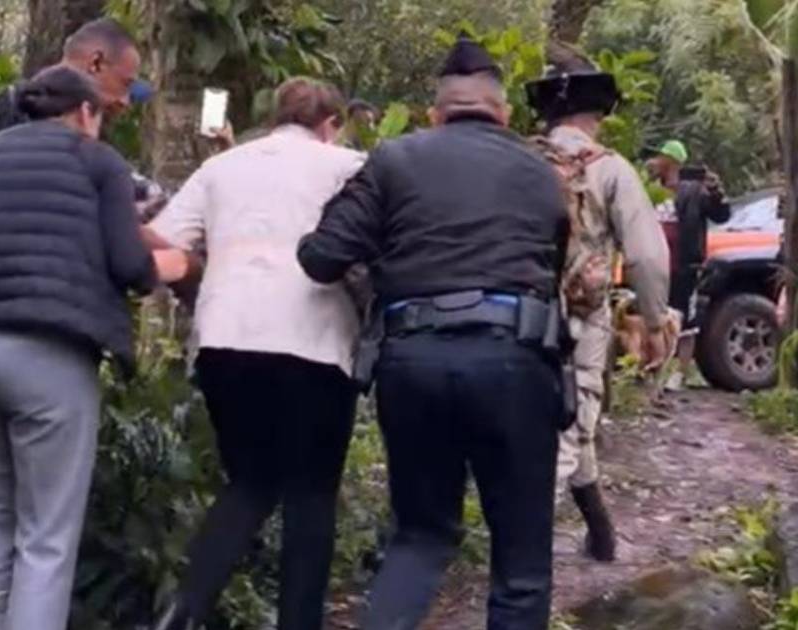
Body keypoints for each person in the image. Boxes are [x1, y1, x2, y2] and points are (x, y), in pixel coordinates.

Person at [298, 39, 572, 629]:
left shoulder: (394, 159)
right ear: (503, 115)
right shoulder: (541, 174)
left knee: (420, 537)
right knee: (521, 561)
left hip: (413, 360)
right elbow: (554, 269)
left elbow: (321, 256)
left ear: (434, 113)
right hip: (515, 358)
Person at [0, 66, 183, 630]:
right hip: (49, 357)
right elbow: (130, 266)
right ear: (85, 112)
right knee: (45, 541)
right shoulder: (96, 160)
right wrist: (184, 263)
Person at [144, 77, 364, 630]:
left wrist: (205, 282)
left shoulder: (223, 166)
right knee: (312, 494)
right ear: (330, 124)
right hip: (314, 344)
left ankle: (180, 615)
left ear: (274, 119)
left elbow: (164, 240)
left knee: (250, 482)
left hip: (226, 339)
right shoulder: (348, 166)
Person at [526, 52, 671, 563]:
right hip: (578, 319)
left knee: (560, 423)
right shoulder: (610, 169)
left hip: (511, 314)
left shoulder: (518, 160)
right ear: (598, 114)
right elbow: (647, 256)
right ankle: (523, 570)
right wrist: (654, 320)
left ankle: (600, 533)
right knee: (570, 423)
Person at [646, 139, 730, 323]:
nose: (657, 160)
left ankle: (682, 342)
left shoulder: (695, 191)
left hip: (683, 268)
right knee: (655, 317)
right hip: (654, 266)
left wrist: (716, 192)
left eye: (662, 157)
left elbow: (721, 216)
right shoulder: (651, 189)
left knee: (682, 317)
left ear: (672, 161)